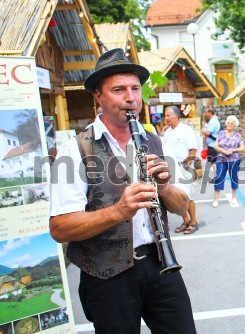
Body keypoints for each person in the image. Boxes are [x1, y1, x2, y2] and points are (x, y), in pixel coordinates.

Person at [49, 49, 197, 334]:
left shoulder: (155, 142)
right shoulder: (76, 149)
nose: (130, 97)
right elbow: (60, 228)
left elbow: (182, 206)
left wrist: (163, 186)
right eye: (118, 90)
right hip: (106, 278)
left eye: (135, 88)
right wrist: (119, 211)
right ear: (99, 97)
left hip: (160, 265)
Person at [162, 105, 199, 234]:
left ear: (176, 116)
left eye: (168, 115)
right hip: (172, 167)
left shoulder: (186, 130)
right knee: (177, 196)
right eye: (165, 115)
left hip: (185, 167)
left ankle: (193, 222)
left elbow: (193, 149)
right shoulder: (167, 133)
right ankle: (186, 220)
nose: (166, 118)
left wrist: (187, 166)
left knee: (189, 195)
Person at [212, 115, 245, 208]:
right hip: (221, 159)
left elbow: (243, 148)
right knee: (218, 177)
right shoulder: (221, 133)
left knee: (233, 177)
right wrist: (224, 151)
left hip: (234, 159)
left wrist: (233, 150)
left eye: (232, 123)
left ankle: (233, 197)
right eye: (228, 122)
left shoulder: (238, 135)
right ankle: (216, 199)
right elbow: (216, 146)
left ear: (235, 125)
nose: (229, 124)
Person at [201, 107, 220, 182]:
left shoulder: (213, 121)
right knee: (212, 160)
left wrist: (203, 131)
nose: (206, 114)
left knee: (213, 161)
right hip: (212, 144)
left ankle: (217, 177)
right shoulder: (214, 120)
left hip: (212, 144)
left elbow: (208, 132)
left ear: (210, 113)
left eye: (206, 112)